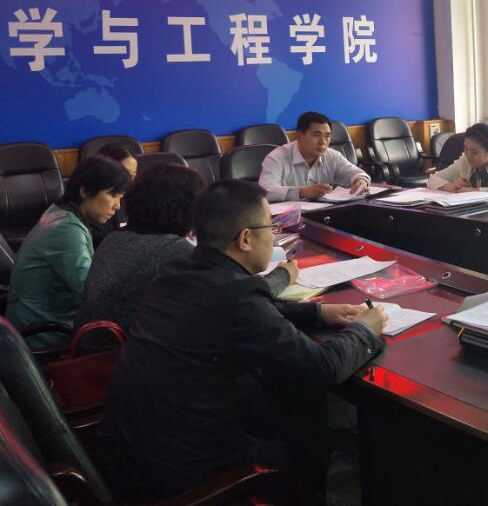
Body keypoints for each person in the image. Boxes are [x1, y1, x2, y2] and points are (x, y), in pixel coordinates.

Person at [98, 179, 387, 504]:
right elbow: (323, 367)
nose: (274, 236)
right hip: (185, 479)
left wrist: (318, 313)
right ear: (246, 238)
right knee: (305, 423)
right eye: (271, 228)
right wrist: (366, 330)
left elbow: (232, 313)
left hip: (130, 460)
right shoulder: (237, 295)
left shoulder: (176, 272)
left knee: (287, 401)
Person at [74, 164, 299, 353]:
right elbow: (238, 298)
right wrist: (284, 275)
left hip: (87, 352)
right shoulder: (175, 252)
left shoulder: (114, 238)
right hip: (116, 358)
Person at [5, 156, 131, 347]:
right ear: (85, 191)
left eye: (120, 198)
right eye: (113, 196)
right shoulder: (66, 230)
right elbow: (93, 292)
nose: (117, 206)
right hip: (43, 333)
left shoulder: (60, 213)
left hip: (45, 320)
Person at [259, 111, 370, 202]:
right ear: (299, 135)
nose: (323, 142)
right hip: (286, 217)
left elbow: (356, 173)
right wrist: (301, 192)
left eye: (327, 136)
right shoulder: (276, 158)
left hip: (322, 212)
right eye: (317, 135)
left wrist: (360, 181)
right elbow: (265, 190)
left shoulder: (332, 155)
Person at [427, 123, 488, 201]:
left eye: (474, 152)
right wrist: (451, 186)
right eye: (466, 149)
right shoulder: (464, 161)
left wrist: (471, 191)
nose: (468, 155)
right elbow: (432, 179)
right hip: (480, 212)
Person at [89, 142, 138, 248]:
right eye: (125, 174)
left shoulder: (133, 198)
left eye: (133, 175)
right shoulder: (94, 207)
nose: (129, 181)